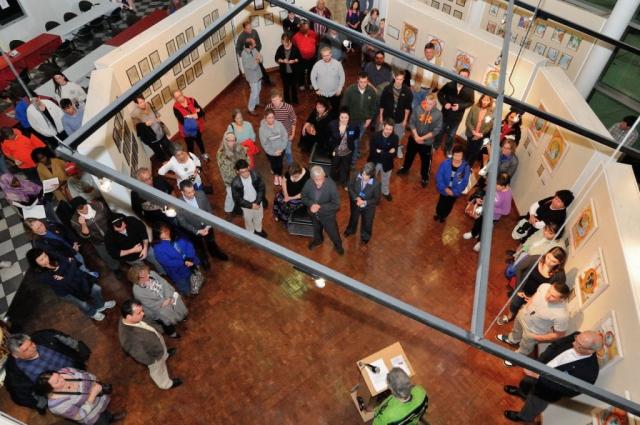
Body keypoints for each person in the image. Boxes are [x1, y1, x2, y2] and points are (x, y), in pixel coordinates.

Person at [503, 331, 603, 423]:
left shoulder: (590, 372)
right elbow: (555, 346)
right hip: (540, 368)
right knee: (526, 382)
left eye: (579, 345)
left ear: (590, 351)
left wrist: (539, 376)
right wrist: (538, 364)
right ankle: (521, 393)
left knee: (534, 405)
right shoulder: (577, 336)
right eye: (576, 339)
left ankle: (523, 417)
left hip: (548, 390)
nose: (574, 343)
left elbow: (569, 390)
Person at [4, 331, 91, 412]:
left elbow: (65, 339)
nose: (32, 348)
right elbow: (20, 395)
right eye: (26, 350)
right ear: (15, 355)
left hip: (78, 371)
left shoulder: (44, 337)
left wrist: (80, 349)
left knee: (90, 384)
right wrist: (42, 404)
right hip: (64, 393)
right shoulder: (14, 372)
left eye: (31, 344)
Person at [26, 248, 116, 321]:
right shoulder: (41, 276)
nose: (46, 260)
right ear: (35, 263)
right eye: (41, 260)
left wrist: (67, 271)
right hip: (66, 292)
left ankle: (100, 305)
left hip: (78, 280)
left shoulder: (52, 256)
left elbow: (72, 261)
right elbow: (66, 279)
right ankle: (93, 313)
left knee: (96, 289)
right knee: (82, 304)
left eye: (45, 256)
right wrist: (69, 266)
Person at [496, 281, 571, 365]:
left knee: (525, 348)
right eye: (549, 291)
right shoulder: (544, 286)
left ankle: (518, 357)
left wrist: (538, 338)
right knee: (516, 331)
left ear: (561, 299)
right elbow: (535, 296)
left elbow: (559, 335)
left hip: (533, 332)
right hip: (523, 316)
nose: (547, 296)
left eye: (553, 296)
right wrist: (525, 307)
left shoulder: (562, 315)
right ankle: (512, 339)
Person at [118, 299, 183, 390]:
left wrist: (158, 329)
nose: (143, 314)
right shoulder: (128, 338)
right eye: (139, 313)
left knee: (163, 350)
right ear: (129, 317)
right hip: (154, 357)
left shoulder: (132, 316)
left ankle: (165, 355)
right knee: (158, 371)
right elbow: (141, 355)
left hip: (156, 342)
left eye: (142, 311)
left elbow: (148, 321)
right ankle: (166, 384)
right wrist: (152, 361)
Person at [497, 246, 567, 325]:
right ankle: (509, 316)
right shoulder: (535, 259)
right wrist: (519, 288)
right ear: (547, 253)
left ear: (559, 263)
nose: (548, 262)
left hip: (537, 297)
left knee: (527, 313)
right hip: (522, 290)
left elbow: (556, 290)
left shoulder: (560, 275)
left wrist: (534, 298)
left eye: (553, 261)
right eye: (548, 257)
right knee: (514, 304)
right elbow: (519, 268)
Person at [35, 368, 125, 424]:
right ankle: (109, 420)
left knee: (105, 411)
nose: (62, 379)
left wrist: (95, 380)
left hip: (99, 399)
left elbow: (83, 373)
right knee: (103, 421)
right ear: (49, 390)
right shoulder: (57, 406)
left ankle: (111, 417)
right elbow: (80, 415)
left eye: (58, 376)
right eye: (57, 382)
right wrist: (93, 394)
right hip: (92, 415)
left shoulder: (65, 371)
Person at [176, 180, 229, 266]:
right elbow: (182, 222)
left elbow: (209, 210)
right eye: (189, 193)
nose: (192, 194)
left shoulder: (201, 194)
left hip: (207, 225)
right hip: (194, 230)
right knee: (199, 246)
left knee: (211, 241)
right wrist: (197, 231)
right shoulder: (178, 203)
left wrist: (208, 226)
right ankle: (204, 260)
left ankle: (215, 253)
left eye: (193, 191)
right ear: (182, 192)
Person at [70, 196, 123, 279]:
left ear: (86, 203)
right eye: (79, 209)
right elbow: (85, 235)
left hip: (112, 234)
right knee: (106, 256)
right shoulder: (74, 220)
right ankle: (116, 268)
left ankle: (127, 261)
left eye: (83, 206)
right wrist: (83, 224)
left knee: (121, 247)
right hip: (98, 241)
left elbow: (110, 216)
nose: (83, 210)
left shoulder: (98, 205)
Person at [127, 263, 187, 334]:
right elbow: (152, 305)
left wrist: (168, 297)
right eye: (144, 276)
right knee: (166, 323)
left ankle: (180, 317)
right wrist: (167, 301)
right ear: (137, 279)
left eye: (147, 273)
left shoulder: (152, 273)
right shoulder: (137, 291)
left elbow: (164, 283)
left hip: (168, 299)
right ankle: (172, 333)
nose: (148, 275)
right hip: (157, 310)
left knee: (177, 308)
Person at [397, 94, 443, 187]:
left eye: (430, 104)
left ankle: (425, 177)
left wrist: (422, 138)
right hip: (414, 138)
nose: (427, 106)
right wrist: (416, 136)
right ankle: (405, 168)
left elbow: (436, 130)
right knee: (409, 155)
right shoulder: (418, 109)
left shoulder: (438, 114)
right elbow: (412, 122)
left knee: (426, 161)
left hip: (426, 143)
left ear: (434, 103)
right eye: (426, 103)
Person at [463, 172, 512, 251]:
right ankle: (473, 233)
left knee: (485, 229)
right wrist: (482, 200)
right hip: (483, 210)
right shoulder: (496, 185)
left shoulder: (507, 195)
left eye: (497, 186)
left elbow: (506, 211)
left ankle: (480, 242)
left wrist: (491, 208)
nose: (495, 186)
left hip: (492, 216)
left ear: (504, 186)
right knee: (478, 222)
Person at [301, 165, 343, 255]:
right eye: (317, 179)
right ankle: (318, 241)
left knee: (333, 232)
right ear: (312, 178)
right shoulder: (308, 183)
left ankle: (338, 245)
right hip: (313, 215)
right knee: (316, 230)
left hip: (328, 216)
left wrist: (320, 207)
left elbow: (337, 205)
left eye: (321, 178)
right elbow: (303, 197)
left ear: (324, 175)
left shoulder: (331, 185)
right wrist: (311, 204)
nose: (320, 181)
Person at [436, 68, 475, 156]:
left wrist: (460, 106)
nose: (462, 78)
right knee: (440, 130)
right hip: (445, 114)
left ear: (468, 78)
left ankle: (448, 149)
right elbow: (440, 94)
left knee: (451, 134)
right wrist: (444, 103)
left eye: (465, 77)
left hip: (457, 117)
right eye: (461, 76)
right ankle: (435, 145)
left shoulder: (470, 90)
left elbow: (471, 102)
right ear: (458, 75)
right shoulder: (449, 84)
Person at [340, 72, 376, 164]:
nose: (363, 84)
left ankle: (354, 157)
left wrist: (370, 119)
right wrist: (345, 121)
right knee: (354, 139)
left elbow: (373, 107)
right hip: (352, 121)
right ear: (357, 81)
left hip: (364, 121)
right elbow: (344, 106)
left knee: (356, 139)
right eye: (361, 82)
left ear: (368, 81)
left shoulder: (371, 92)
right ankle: (354, 158)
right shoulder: (349, 91)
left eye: (365, 82)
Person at [344, 162, 381, 244]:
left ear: (371, 175)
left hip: (368, 207)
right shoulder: (356, 175)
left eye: (366, 175)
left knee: (367, 222)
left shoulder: (376, 184)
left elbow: (376, 199)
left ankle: (365, 236)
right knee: (353, 217)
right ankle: (350, 230)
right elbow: (350, 186)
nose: (363, 177)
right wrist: (356, 198)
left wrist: (365, 202)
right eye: (363, 174)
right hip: (355, 203)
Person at [231, 159, 267, 237]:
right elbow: (237, 199)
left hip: (257, 201)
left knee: (259, 217)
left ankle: (258, 230)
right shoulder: (235, 183)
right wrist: (251, 205)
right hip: (246, 206)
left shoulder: (255, 174)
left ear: (248, 167)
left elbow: (261, 188)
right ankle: (250, 232)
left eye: (246, 170)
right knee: (248, 220)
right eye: (242, 172)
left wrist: (257, 202)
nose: (245, 174)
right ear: (237, 171)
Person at [433, 145, 470, 222]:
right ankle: (438, 213)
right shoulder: (445, 163)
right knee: (441, 202)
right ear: (452, 155)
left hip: (454, 192)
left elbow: (463, 182)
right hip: (444, 189)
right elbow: (439, 176)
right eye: (455, 155)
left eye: (459, 156)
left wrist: (454, 192)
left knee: (449, 204)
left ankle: (443, 216)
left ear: (463, 156)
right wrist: (445, 188)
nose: (457, 158)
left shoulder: (465, 167)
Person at [130, 95, 173, 162]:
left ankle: (174, 160)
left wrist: (158, 116)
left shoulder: (148, 104)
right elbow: (137, 129)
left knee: (168, 147)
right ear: (136, 104)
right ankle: (165, 164)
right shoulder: (134, 114)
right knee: (159, 153)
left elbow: (155, 111)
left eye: (143, 101)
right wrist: (145, 125)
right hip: (151, 138)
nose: (143, 103)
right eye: (141, 102)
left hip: (160, 132)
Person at [217, 131, 249, 216]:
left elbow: (246, 158)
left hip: (242, 175)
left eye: (233, 140)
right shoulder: (221, 154)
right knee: (231, 195)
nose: (232, 142)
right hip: (230, 181)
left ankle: (242, 207)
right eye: (229, 140)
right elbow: (227, 171)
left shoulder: (239, 147)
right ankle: (228, 211)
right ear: (225, 140)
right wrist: (242, 174)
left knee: (243, 194)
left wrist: (246, 167)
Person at [172, 90, 208, 161]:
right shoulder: (175, 107)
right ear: (174, 99)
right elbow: (182, 121)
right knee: (190, 146)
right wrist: (194, 115)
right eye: (177, 97)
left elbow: (201, 112)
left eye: (180, 95)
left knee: (199, 141)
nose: (180, 98)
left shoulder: (191, 100)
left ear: (182, 93)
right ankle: (192, 160)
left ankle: (204, 154)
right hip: (186, 130)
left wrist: (189, 116)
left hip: (196, 127)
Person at [368, 118, 398, 201]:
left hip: (387, 163)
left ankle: (385, 192)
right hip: (375, 162)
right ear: (383, 127)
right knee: (371, 179)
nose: (388, 131)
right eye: (387, 129)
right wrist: (388, 152)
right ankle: (370, 192)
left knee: (386, 180)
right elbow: (373, 152)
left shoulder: (395, 138)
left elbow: (394, 154)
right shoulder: (375, 136)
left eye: (391, 129)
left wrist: (380, 151)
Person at [379, 70, 413, 143]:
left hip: (400, 118)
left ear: (403, 79)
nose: (399, 81)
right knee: (384, 133)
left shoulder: (407, 91)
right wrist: (381, 116)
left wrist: (405, 120)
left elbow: (407, 108)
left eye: (401, 79)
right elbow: (382, 104)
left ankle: (397, 147)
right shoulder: (387, 89)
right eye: (397, 79)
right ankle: (383, 145)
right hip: (387, 117)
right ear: (394, 77)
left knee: (398, 135)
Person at [328, 109, 359, 188]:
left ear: (349, 118)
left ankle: (344, 182)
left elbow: (356, 136)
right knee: (335, 166)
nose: (344, 119)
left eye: (346, 117)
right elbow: (333, 137)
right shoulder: (333, 124)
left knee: (346, 167)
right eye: (342, 117)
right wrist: (341, 131)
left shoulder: (354, 125)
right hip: (336, 150)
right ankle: (334, 181)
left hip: (348, 150)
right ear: (339, 117)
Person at [235, 20, 271, 85]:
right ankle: (251, 83)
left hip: (255, 54)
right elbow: (238, 48)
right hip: (248, 57)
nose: (250, 30)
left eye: (251, 27)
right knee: (251, 71)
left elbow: (259, 43)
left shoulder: (254, 32)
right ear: (244, 29)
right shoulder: (241, 37)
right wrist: (244, 55)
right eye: (248, 29)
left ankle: (267, 81)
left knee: (261, 68)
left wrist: (257, 52)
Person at [311, 47, 345, 114]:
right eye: (324, 56)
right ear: (321, 56)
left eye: (327, 55)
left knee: (335, 109)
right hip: (321, 93)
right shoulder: (317, 65)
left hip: (335, 93)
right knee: (322, 111)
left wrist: (339, 89)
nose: (326, 57)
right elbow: (312, 77)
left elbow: (342, 77)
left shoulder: (338, 64)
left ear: (331, 54)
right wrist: (316, 89)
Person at [259, 108, 288, 186]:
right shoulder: (262, 129)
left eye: (272, 117)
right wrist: (273, 152)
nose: (271, 120)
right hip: (270, 152)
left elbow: (285, 136)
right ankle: (276, 175)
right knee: (274, 163)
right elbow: (265, 144)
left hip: (281, 149)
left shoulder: (279, 124)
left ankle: (279, 175)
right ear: (265, 118)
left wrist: (281, 148)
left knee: (280, 163)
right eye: (269, 118)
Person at [266, 90, 297, 165]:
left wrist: (292, 134)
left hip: (286, 134)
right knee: (277, 151)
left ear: (281, 98)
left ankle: (291, 166)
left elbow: (294, 121)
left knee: (288, 152)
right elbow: (266, 120)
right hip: (274, 134)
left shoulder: (288, 107)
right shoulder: (268, 107)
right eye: (273, 100)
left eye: (276, 99)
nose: (275, 102)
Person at [464, 94, 494, 165]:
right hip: (471, 133)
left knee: (475, 152)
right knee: (468, 150)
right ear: (481, 99)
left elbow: (489, 126)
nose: (485, 102)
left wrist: (480, 134)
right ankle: (463, 164)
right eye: (484, 99)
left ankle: (469, 167)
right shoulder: (474, 107)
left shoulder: (491, 112)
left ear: (490, 101)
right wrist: (473, 132)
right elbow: (468, 121)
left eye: (487, 100)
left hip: (481, 136)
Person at [274, 34, 301, 105]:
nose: (284, 44)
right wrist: (282, 61)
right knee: (285, 87)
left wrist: (294, 61)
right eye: (282, 42)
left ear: (289, 41)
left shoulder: (295, 48)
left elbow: (299, 58)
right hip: (284, 72)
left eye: (285, 42)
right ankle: (287, 101)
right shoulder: (280, 48)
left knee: (293, 87)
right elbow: (276, 58)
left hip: (294, 71)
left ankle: (295, 101)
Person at [291, 19, 318, 91]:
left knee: (311, 71)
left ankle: (310, 83)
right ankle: (301, 84)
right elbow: (294, 47)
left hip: (312, 57)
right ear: (301, 27)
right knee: (301, 71)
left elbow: (316, 43)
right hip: (301, 58)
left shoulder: (313, 33)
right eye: (305, 27)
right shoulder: (295, 37)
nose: (307, 28)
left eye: (307, 27)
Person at [241, 39, 264, 117]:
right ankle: (250, 108)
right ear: (250, 46)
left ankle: (257, 102)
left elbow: (261, 57)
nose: (256, 44)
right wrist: (257, 60)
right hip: (252, 77)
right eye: (254, 43)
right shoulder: (244, 55)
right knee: (254, 92)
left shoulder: (254, 49)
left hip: (258, 74)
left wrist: (258, 59)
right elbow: (252, 67)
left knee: (259, 89)